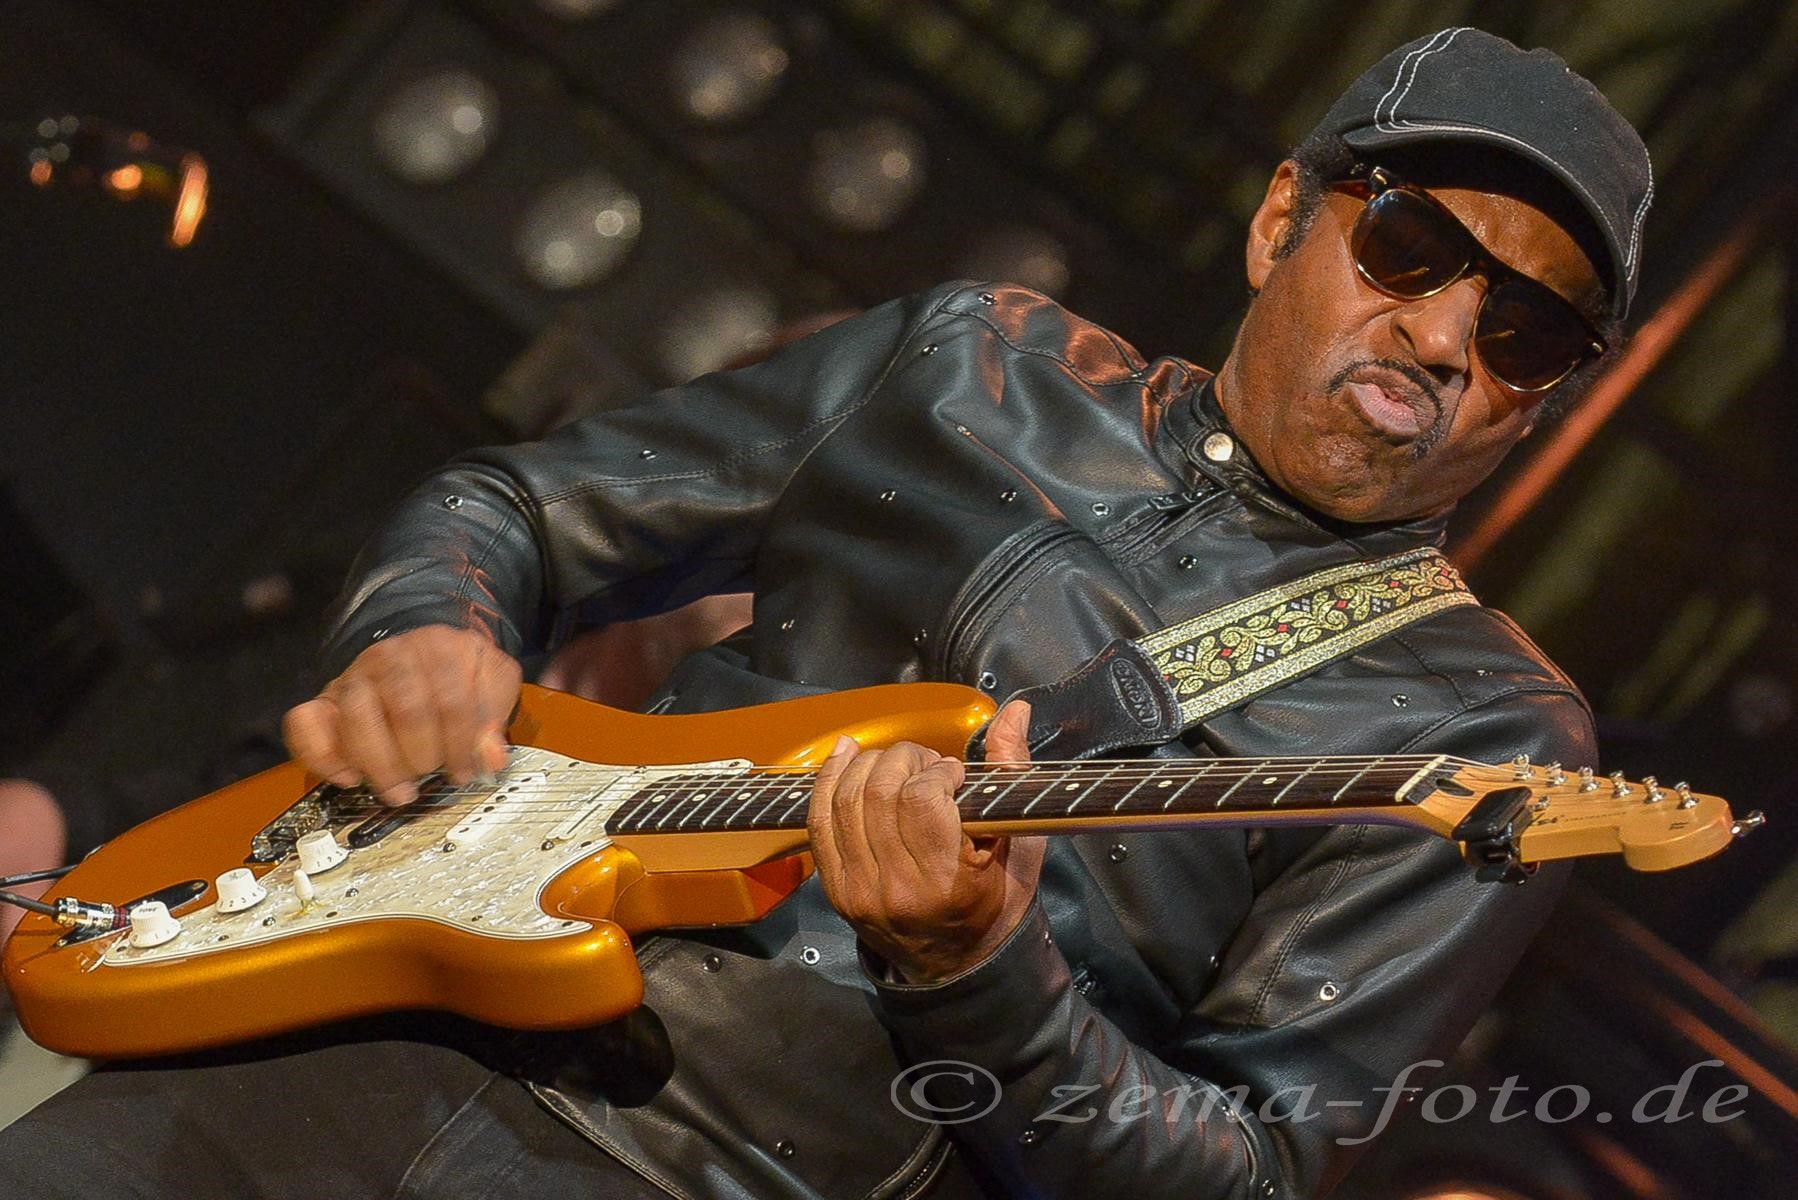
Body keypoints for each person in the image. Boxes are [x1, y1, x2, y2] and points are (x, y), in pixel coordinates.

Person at [0, 27, 1652, 1200]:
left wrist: (980, 967)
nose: (1445, 337)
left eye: (1525, 333)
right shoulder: (979, 359)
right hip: (373, 1023)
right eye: (1412, 247)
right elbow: (523, 506)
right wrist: (424, 627)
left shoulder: (1485, 733)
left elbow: (1253, 1170)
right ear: (1282, 218)